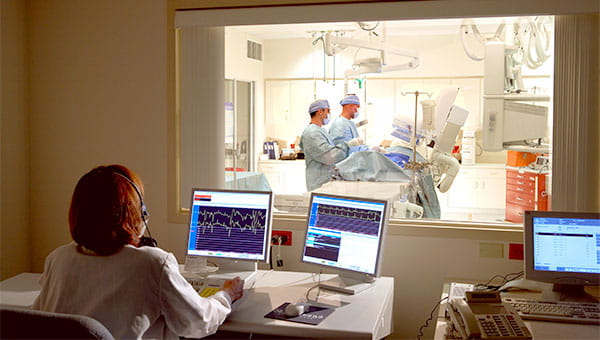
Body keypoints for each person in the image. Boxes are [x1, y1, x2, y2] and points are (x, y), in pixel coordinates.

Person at [32, 164, 244, 339]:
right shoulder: (152, 263)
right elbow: (198, 324)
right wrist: (226, 295)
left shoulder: (58, 258)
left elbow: (42, 319)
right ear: (138, 213)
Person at [299, 99, 364, 191]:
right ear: (320, 111)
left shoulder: (320, 130)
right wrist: (348, 145)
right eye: (328, 111)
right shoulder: (312, 133)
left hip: (326, 182)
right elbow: (330, 156)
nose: (329, 114)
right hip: (319, 184)